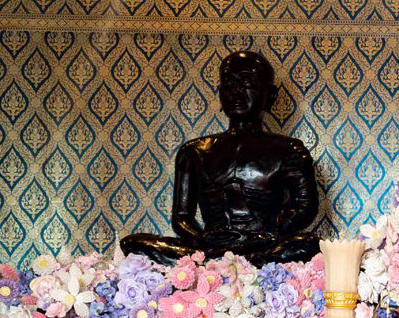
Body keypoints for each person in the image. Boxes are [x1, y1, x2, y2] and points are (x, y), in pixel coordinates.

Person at [121, 50, 320, 264]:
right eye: (229, 84)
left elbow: (305, 207)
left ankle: (228, 265)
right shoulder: (194, 151)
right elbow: (181, 218)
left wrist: (266, 233)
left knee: (308, 244)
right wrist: (203, 238)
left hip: (263, 244)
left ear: (270, 95)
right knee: (133, 244)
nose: (236, 93)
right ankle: (222, 263)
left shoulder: (290, 150)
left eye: (247, 84)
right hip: (211, 246)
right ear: (219, 92)